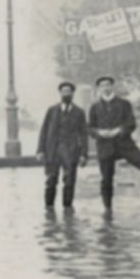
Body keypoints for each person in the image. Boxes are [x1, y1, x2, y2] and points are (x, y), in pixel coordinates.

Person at [87, 75, 140, 211]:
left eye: (108, 84)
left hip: (124, 144)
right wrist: (100, 133)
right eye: (102, 85)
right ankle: (107, 207)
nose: (106, 88)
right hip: (105, 146)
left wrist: (119, 131)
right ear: (99, 88)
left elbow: (131, 123)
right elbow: (90, 128)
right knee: (106, 178)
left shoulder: (124, 104)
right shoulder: (95, 107)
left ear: (113, 86)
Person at [36, 81, 89, 209]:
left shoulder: (79, 112)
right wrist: (40, 150)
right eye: (63, 91)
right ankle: (49, 209)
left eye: (68, 92)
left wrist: (83, 154)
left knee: (69, 181)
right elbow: (44, 130)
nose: (66, 94)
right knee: (51, 180)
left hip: (71, 151)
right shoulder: (52, 110)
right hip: (52, 150)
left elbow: (84, 135)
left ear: (72, 94)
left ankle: (67, 208)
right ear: (60, 93)